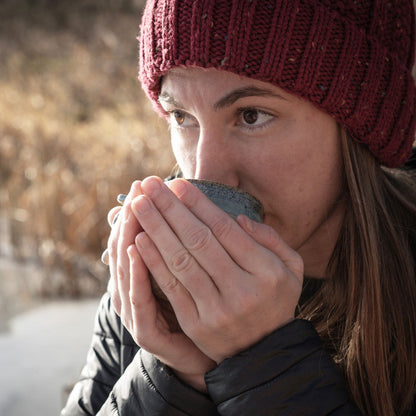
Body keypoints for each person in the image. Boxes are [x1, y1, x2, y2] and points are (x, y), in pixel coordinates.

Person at [61, 0, 416, 415]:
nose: (204, 174)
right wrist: (174, 376)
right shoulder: (158, 273)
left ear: (359, 126)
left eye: (251, 116)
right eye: (181, 116)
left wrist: (263, 364)